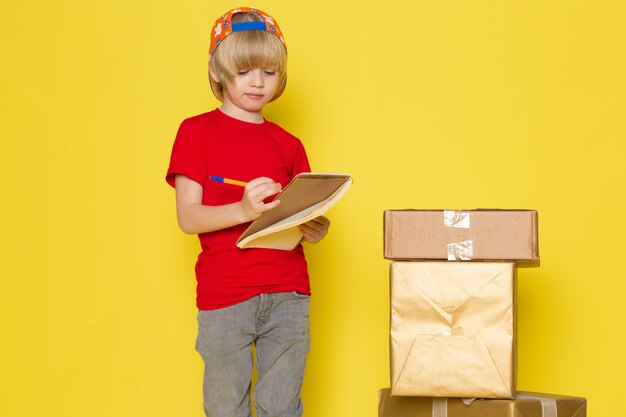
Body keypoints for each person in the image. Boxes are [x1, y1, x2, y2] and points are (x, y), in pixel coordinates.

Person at [165, 7, 330, 417]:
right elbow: (189, 217)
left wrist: (313, 224)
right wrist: (242, 208)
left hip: (289, 293)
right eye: (244, 71)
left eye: (270, 72)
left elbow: (298, 211)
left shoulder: (289, 144)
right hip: (225, 296)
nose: (258, 82)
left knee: (282, 408)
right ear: (218, 71)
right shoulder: (196, 132)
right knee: (225, 409)